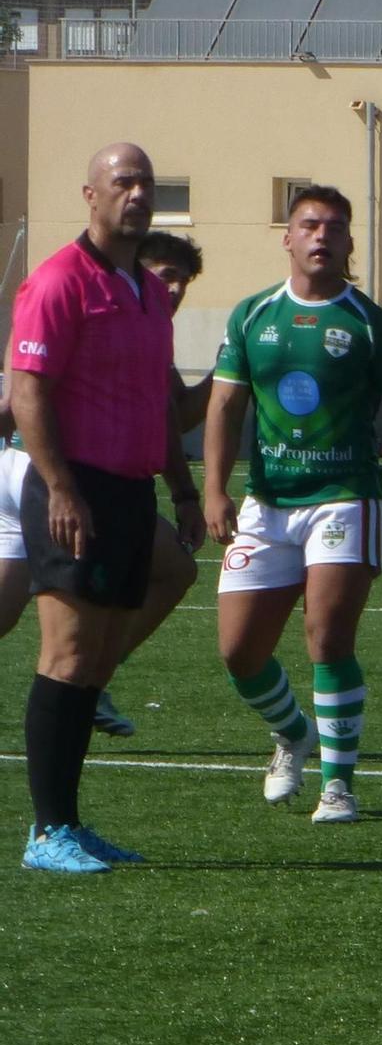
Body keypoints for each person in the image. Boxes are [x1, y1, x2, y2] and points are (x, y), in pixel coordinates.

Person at [203, 184, 382, 824]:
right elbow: (224, 406)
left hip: (345, 499)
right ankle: (292, 732)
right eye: (309, 224)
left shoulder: (368, 322)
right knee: (237, 651)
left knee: (327, 636)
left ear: (348, 242)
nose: (320, 236)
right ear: (287, 236)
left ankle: (339, 787)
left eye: (334, 227)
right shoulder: (253, 315)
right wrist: (214, 488)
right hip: (268, 502)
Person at [9, 142, 202, 873]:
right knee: (64, 656)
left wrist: (181, 490)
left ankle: (70, 823)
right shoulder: (59, 280)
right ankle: (45, 831)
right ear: (90, 195)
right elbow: (28, 390)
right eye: (123, 182)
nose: (138, 194)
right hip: (73, 488)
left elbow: (159, 401)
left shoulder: (150, 292)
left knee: (91, 666)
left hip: (129, 489)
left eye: (147, 183)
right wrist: (60, 487)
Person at [0, 231, 211, 736]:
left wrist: (228, 373)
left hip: (63, 482)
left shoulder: (145, 324)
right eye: (166, 276)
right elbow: (23, 391)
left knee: (174, 570)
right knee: (63, 643)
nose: (176, 289)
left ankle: (93, 682)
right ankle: (88, 686)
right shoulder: (74, 294)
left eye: (185, 281)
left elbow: (171, 417)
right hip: (44, 478)